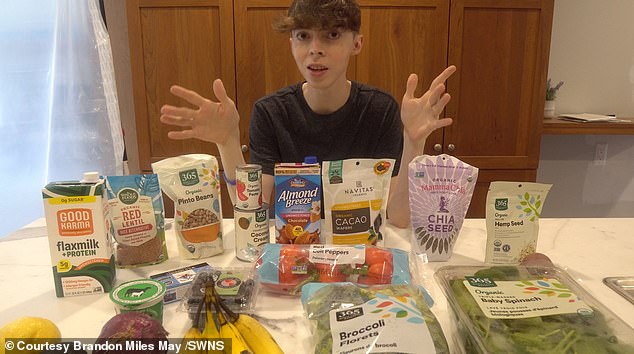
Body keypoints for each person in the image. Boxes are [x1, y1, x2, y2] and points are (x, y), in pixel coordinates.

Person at [160, 0, 455, 228]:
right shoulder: (270, 113)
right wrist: (226, 141)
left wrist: (414, 142)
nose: (315, 50)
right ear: (291, 43)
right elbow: (254, 213)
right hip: (293, 252)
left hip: (361, 251)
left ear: (357, 43)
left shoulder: (380, 110)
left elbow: (398, 219)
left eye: (332, 35)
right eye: (303, 36)